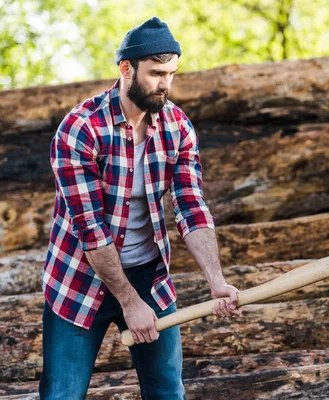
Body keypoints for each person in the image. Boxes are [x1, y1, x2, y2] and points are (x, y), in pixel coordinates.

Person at [39, 17, 241, 400]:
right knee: (61, 395)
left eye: (172, 74)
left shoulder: (177, 127)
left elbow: (191, 207)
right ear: (126, 68)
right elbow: (91, 228)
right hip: (80, 280)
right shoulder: (81, 128)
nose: (166, 84)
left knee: (167, 392)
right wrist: (129, 302)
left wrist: (216, 280)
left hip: (149, 276)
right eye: (156, 73)